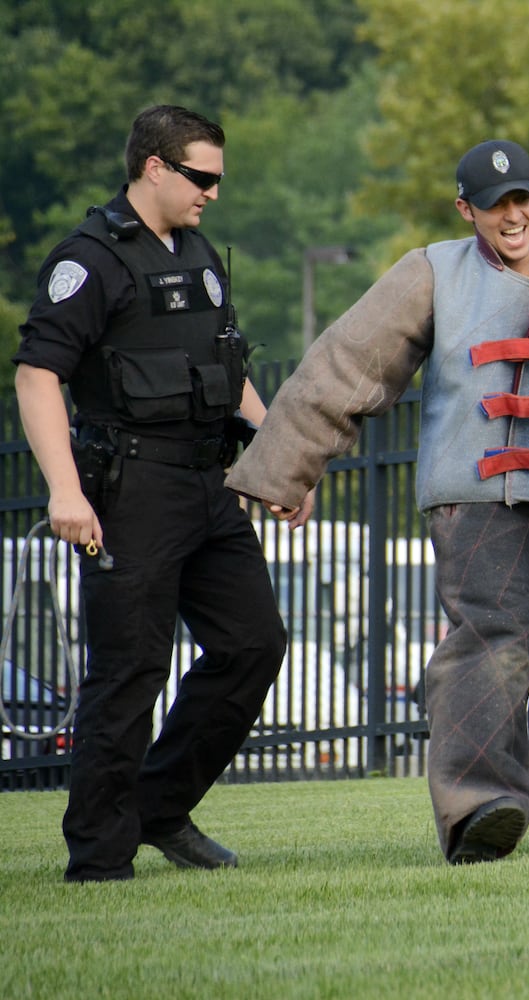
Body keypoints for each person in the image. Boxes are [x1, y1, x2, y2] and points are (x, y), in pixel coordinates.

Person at [225, 139, 529, 863]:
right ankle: (482, 810)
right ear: (465, 209)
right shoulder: (431, 271)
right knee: (490, 646)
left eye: (522, 199)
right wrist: (289, 469)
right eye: (495, 204)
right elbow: (348, 363)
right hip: (473, 497)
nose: (513, 215)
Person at [11, 105, 310, 882]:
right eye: (201, 177)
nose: (212, 192)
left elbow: (229, 366)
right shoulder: (88, 259)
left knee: (254, 643)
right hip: (129, 487)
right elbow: (38, 375)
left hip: (208, 484)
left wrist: (277, 458)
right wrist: (64, 493)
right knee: (131, 670)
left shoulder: (199, 251)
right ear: (154, 167)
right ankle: (100, 860)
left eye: (217, 179)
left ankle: (159, 808)